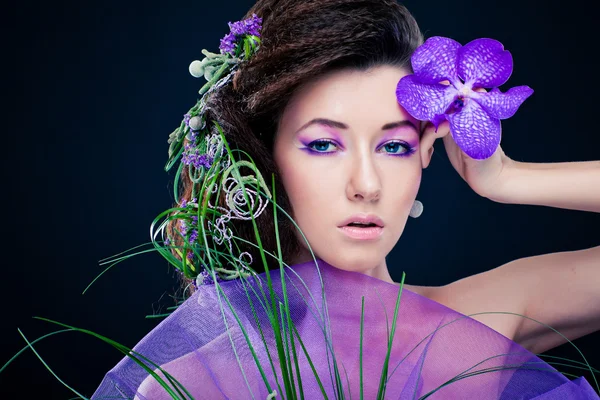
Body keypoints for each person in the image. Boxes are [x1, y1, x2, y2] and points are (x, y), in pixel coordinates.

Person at [91, 0, 600, 398]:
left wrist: (508, 178)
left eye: (394, 145)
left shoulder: (489, 317)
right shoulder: (195, 384)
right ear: (264, 156)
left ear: (427, 150)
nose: (367, 183)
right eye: (323, 144)